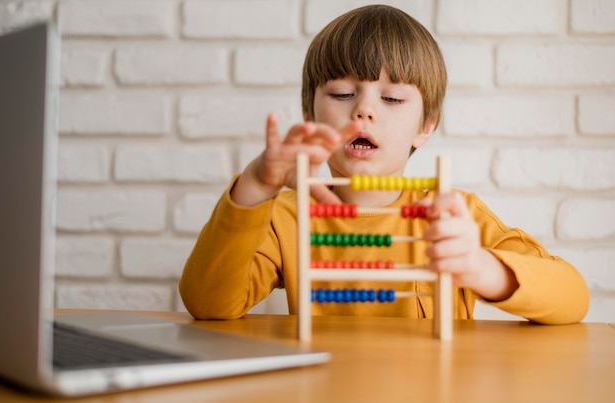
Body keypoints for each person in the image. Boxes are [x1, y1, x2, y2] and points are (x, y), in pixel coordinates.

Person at [179, 5, 589, 324]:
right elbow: (209, 304)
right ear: (311, 114)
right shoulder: (288, 218)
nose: (364, 111)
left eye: (391, 99)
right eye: (341, 93)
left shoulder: (453, 218)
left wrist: (482, 267)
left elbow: (574, 297)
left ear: (425, 126)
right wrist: (254, 185)